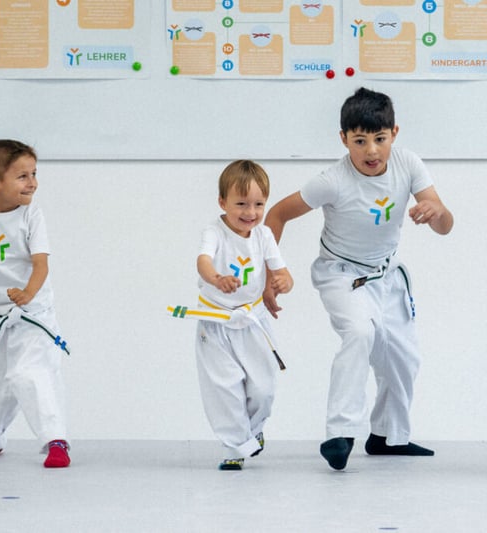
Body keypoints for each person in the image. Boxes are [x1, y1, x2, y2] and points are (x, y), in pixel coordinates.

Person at [264, 87, 453, 471]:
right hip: (340, 273)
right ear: (344, 139)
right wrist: (272, 271)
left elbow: (445, 227)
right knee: (360, 333)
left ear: (394, 134)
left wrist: (436, 210)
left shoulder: (408, 164)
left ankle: (387, 436)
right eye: (360, 141)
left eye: (379, 140)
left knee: (402, 357)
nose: (371, 151)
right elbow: (277, 215)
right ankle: (340, 432)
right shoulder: (331, 180)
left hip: (385, 275)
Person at [0, 139, 71, 468]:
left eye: (34, 173)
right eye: (22, 176)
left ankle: (55, 440)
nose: (32, 182)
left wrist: (28, 294)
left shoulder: (32, 214)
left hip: (32, 313)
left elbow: (41, 263)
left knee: (29, 374)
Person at [193, 160, 293, 471]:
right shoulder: (215, 232)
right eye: (241, 204)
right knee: (225, 388)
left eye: (258, 204)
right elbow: (203, 261)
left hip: (253, 322)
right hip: (216, 323)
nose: (250, 212)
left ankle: (253, 432)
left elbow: (282, 271)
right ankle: (235, 447)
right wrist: (216, 279)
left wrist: (285, 281)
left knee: (262, 389)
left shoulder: (263, 235)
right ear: (222, 202)